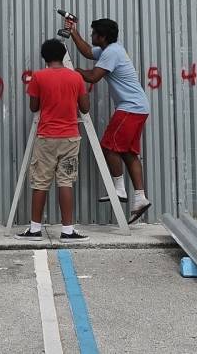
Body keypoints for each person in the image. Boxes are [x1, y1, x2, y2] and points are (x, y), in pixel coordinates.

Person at [64, 16, 153, 224]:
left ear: (102, 37)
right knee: (129, 153)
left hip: (130, 107)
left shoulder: (111, 52)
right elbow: (87, 51)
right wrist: (73, 31)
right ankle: (140, 198)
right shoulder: (108, 50)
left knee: (109, 146)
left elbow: (93, 76)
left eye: (94, 33)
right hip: (138, 107)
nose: (92, 36)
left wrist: (73, 71)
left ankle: (119, 189)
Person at [16, 39, 92, 242]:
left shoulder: (39, 77)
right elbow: (85, 108)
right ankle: (68, 231)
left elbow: (34, 107)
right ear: (63, 55)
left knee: (40, 182)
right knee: (66, 182)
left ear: (45, 57)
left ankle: (34, 229)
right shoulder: (75, 78)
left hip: (47, 137)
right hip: (70, 138)